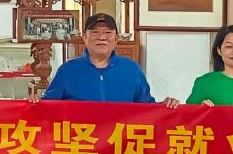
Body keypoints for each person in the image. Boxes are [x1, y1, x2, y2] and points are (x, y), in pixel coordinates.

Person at [30, 12, 179, 107]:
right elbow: (47, 107)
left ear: (116, 38)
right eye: (95, 32)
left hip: (121, 143)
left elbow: (148, 108)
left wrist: (166, 105)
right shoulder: (67, 71)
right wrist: (34, 102)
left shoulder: (131, 69)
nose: (101, 37)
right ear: (85, 37)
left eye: (108, 32)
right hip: (82, 142)